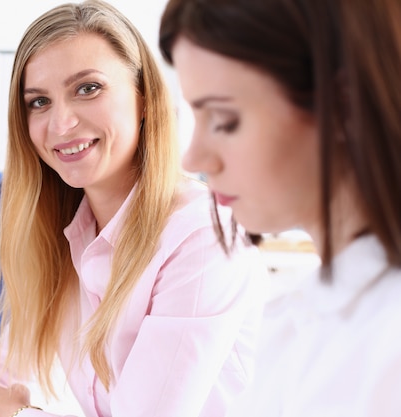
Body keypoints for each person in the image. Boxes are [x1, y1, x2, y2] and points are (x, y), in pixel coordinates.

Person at [0, 1, 268, 416]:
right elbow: (6, 365)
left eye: (88, 88)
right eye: (39, 101)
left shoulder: (201, 234)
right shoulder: (70, 229)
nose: (60, 124)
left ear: (145, 98)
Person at [159, 0, 401, 415]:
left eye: (223, 120)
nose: (194, 159)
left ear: (342, 107)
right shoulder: (299, 319)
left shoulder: (384, 341)